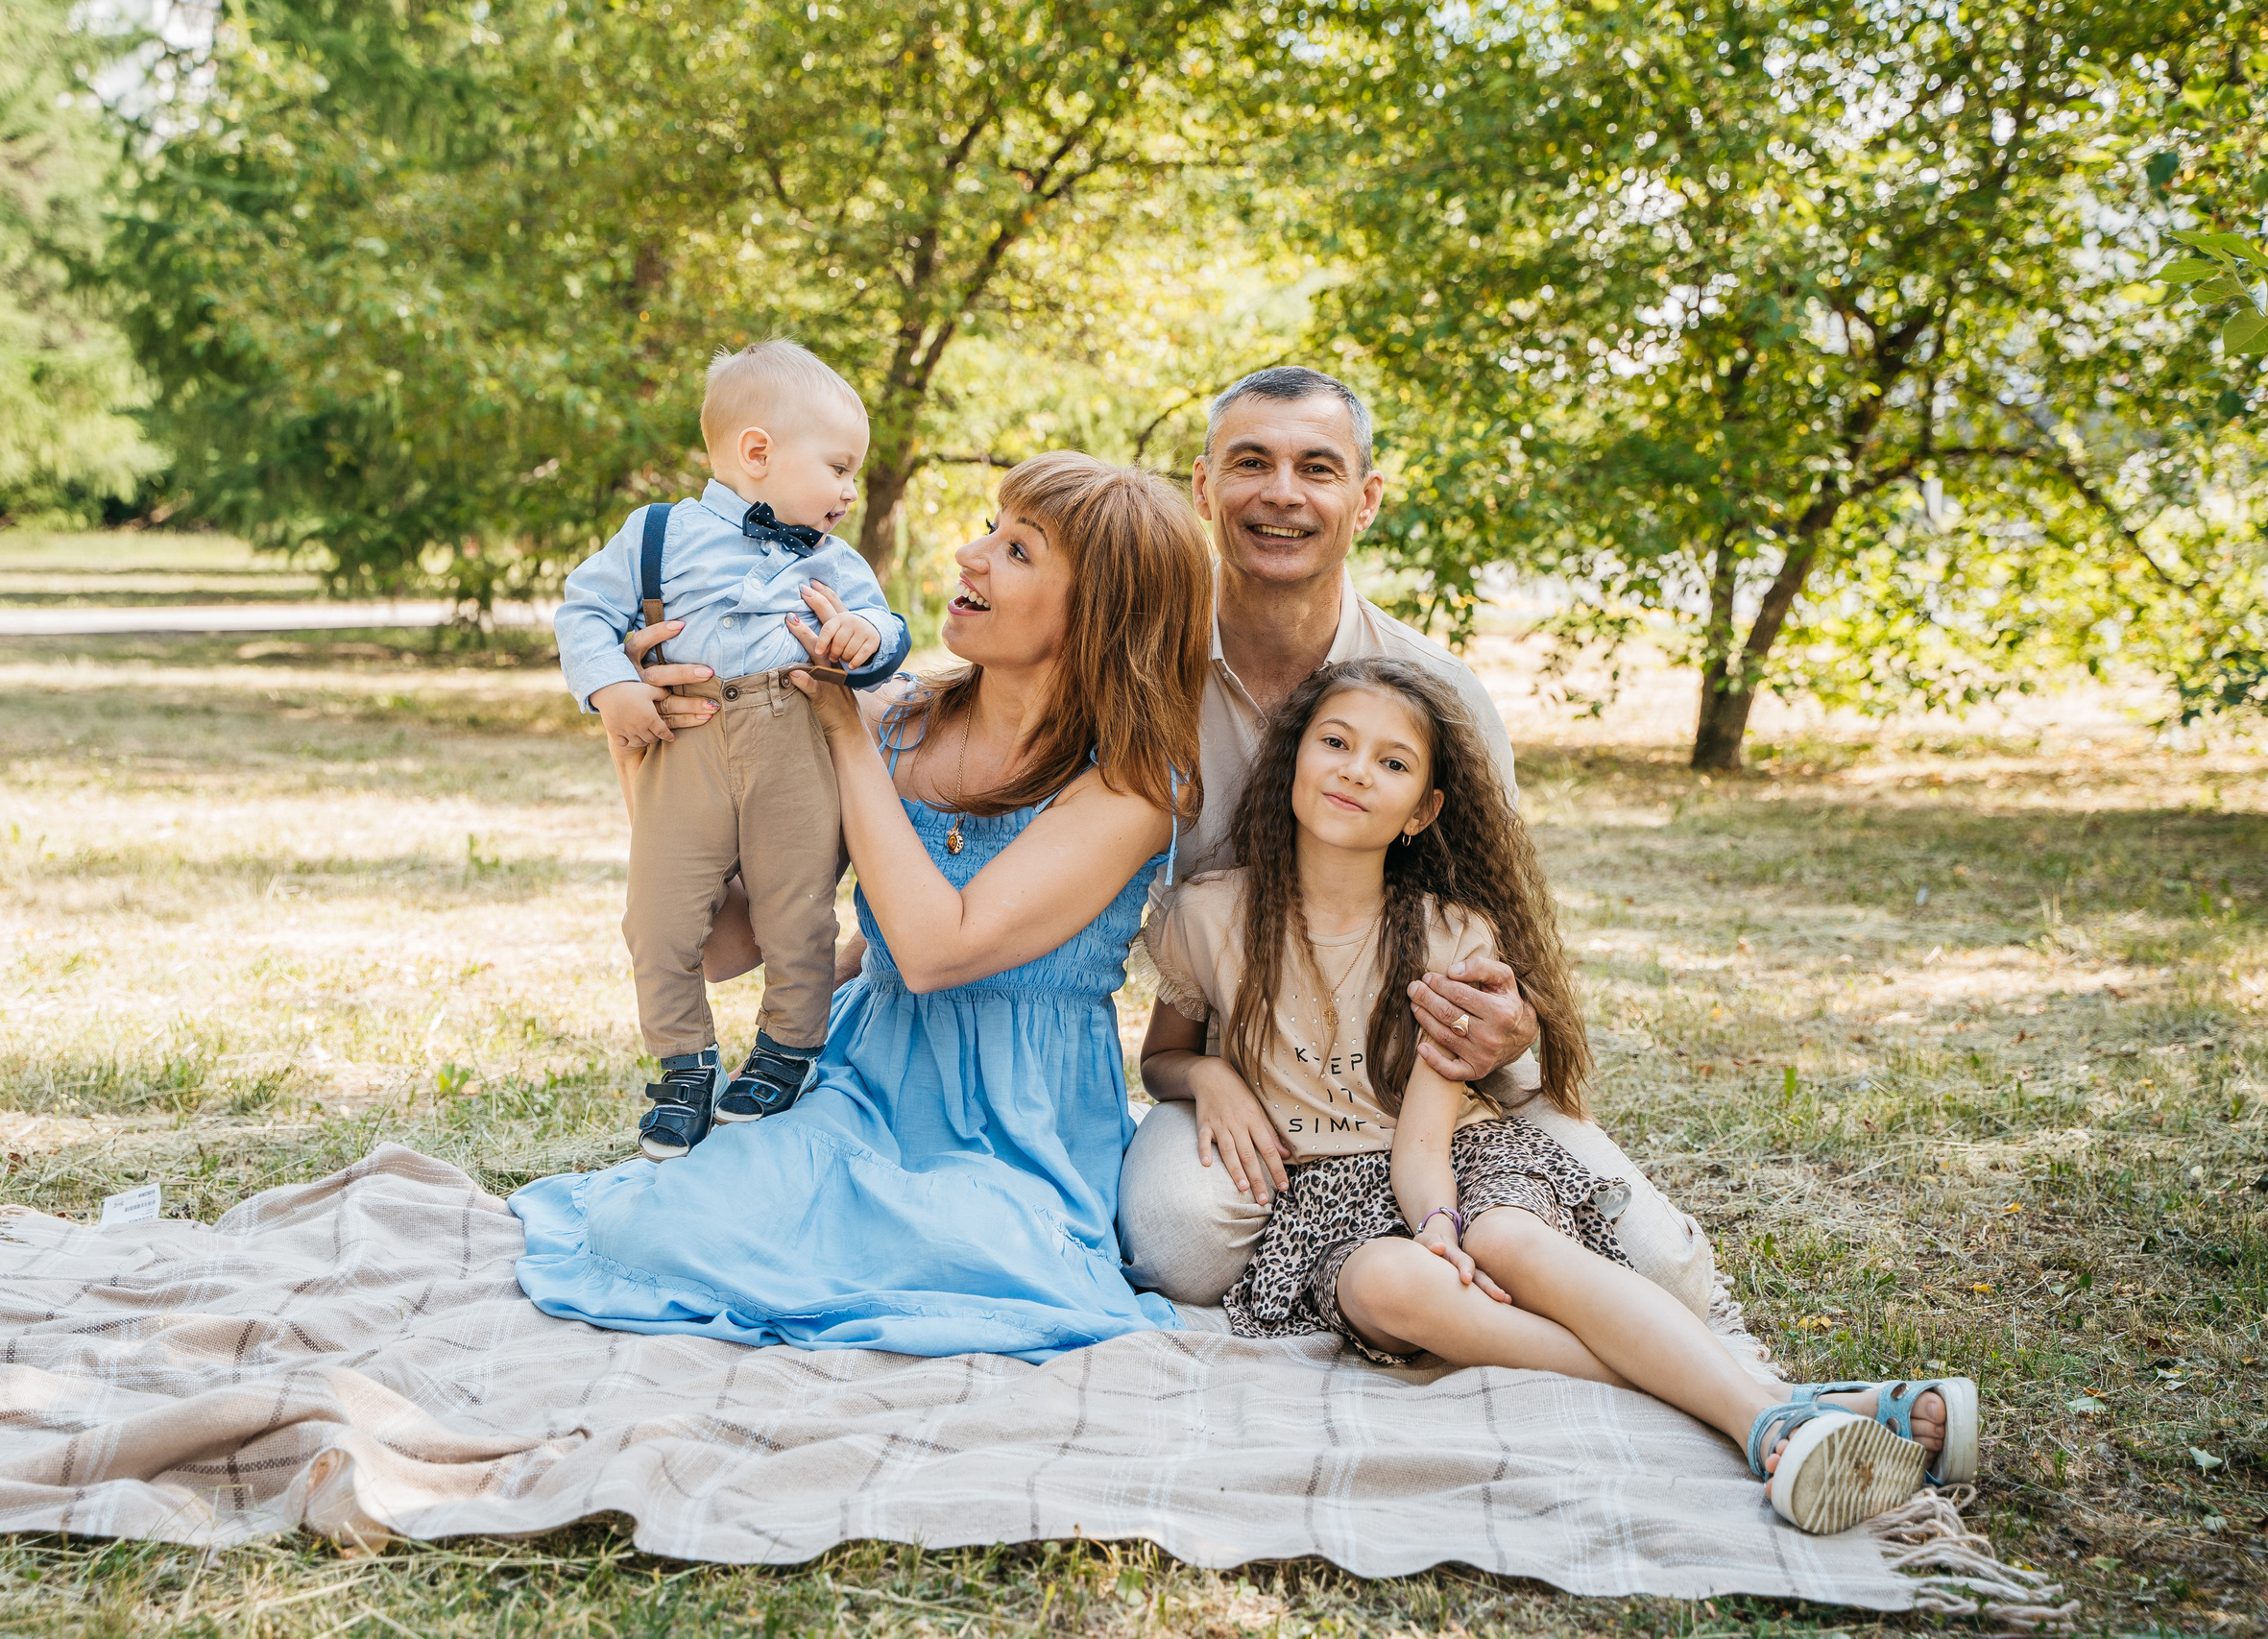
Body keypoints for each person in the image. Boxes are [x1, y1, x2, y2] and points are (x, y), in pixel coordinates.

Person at [1140, 657, 1981, 1532]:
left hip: (1451, 1161)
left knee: (1502, 1235)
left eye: (1393, 763)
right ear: (1292, 761)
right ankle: (1795, 1399)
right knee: (1388, 1289)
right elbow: (1162, 1056)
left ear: (1424, 810)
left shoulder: (1449, 934)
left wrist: (1439, 1224)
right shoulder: (1209, 916)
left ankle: (1762, 1424)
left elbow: (1426, 1139)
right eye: (1337, 743)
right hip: (1324, 1196)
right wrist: (1208, 1074)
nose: (1357, 769)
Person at [509, 451, 1210, 1359]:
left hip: (1018, 1128)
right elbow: (724, 948)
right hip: (859, 1079)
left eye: (1018, 550)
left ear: (1102, 612)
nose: (970, 553)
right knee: (655, 1229)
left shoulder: (1129, 786)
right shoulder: (900, 722)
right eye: (989, 528)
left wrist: (842, 724)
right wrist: (643, 744)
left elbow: (931, 948)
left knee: (983, 1252)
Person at [1118, 367, 1714, 1312]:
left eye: (1317, 467)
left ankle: (1425, 1236)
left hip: (1438, 1081)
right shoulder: (1142, 686)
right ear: (1202, 489)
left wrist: (1515, 1024)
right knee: (1179, 1247)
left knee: (1671, 1272)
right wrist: (1205, 1074)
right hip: (1261, 1074)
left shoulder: (1435, 693)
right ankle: (1375, 1254)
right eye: (1249, 463)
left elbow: (1506, 925)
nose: (1281, 493)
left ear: (1365, 498)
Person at [554, 340, 910, 1155]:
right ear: (759, 453)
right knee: (657, 914)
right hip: (690, 736)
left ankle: (787, 1048)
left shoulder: (834, 561)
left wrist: (863, 634)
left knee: (797, 908)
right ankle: (682, 1064)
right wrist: (613, 687)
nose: (851, 492)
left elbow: (888, 629)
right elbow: (584, 613)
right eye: (840, 468)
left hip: (793, 733)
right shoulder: (655, 534)